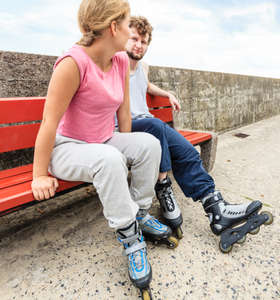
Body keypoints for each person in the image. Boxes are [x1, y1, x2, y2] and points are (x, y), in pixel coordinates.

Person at [30, 2, 175, 298]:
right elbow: (48, 123)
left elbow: (123, 114)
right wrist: (38, 175)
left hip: (104, 139)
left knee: (148, 143)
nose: (129, 29)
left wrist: (130, 147)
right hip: (68, 147)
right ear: (113, 28)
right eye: (125, 24)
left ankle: (140, 212)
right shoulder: (72, 63)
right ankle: (130, 236)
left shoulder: (120, 60)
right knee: (109, 160)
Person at [125, 16, 273, 252]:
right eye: (133, 38)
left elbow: (146, 86)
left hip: (150, 124)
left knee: (187, 152)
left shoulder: (143, 67)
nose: (138, 45)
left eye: (143, 41)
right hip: (126, 128)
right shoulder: (115, 63)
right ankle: (163, 186)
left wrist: (167, 94)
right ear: (123, 37)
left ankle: (216, 209)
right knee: (156, 127)